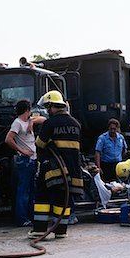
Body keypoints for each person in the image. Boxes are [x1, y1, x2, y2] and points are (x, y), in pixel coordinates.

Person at [28, 90, 83, 239]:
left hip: (53, 168)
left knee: (42, 196)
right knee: (63, 199)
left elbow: (39, 144)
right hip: (72, 169)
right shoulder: (76, 124)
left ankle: (39, 229)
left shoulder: (50, 123)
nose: (48, 111)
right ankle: (61, 231)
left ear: (52, 106)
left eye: (48, 107)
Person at [5, 100, 45, 227]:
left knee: (31, 190)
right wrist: (22, 150)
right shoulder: (17, 123)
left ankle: (30, 216)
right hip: (25, 160)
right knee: (23, 191)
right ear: (27, 110)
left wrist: (32, 121)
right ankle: (21, 218)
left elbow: (44, 119)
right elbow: (8, 139)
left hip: (32, 160)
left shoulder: (28, 121)